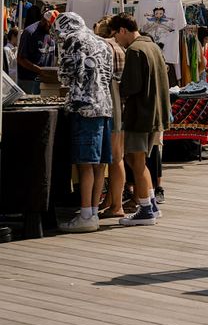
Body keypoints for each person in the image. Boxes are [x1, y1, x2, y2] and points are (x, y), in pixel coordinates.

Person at [54, 13, 114, 232]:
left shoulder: (73, 40)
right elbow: (109, 76)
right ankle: (93, 212)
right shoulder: (102, 42)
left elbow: (66, 74)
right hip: (105, 107)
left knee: (85, 163)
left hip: (84, 107)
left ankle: (86, 214)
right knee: (99, 164)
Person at [110, 13, 170, 227]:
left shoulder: (135, 50)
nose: (116, 40)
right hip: (154, 114)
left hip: (140, 115)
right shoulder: (152, 46)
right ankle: (151, 205)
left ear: (123, 30)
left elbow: (130, 87)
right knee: (139, 161)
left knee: (137, 162)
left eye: (116, 36)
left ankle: (145, 210)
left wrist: (115, 84)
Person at [94, 18, 127, 218]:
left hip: (112, 106)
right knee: (117, 157)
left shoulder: (106, 47)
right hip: (121, 107)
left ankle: (117, 206)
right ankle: (113, 202)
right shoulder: (120, 48)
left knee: (115, 158)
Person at [16, 6, 56, 96]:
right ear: (44, 21)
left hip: (45, 80)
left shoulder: (51, 33)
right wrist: (40, 70)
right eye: (51, 26)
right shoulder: (29, 32)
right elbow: (20, 59)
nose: (52, 30)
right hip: (30, 81)